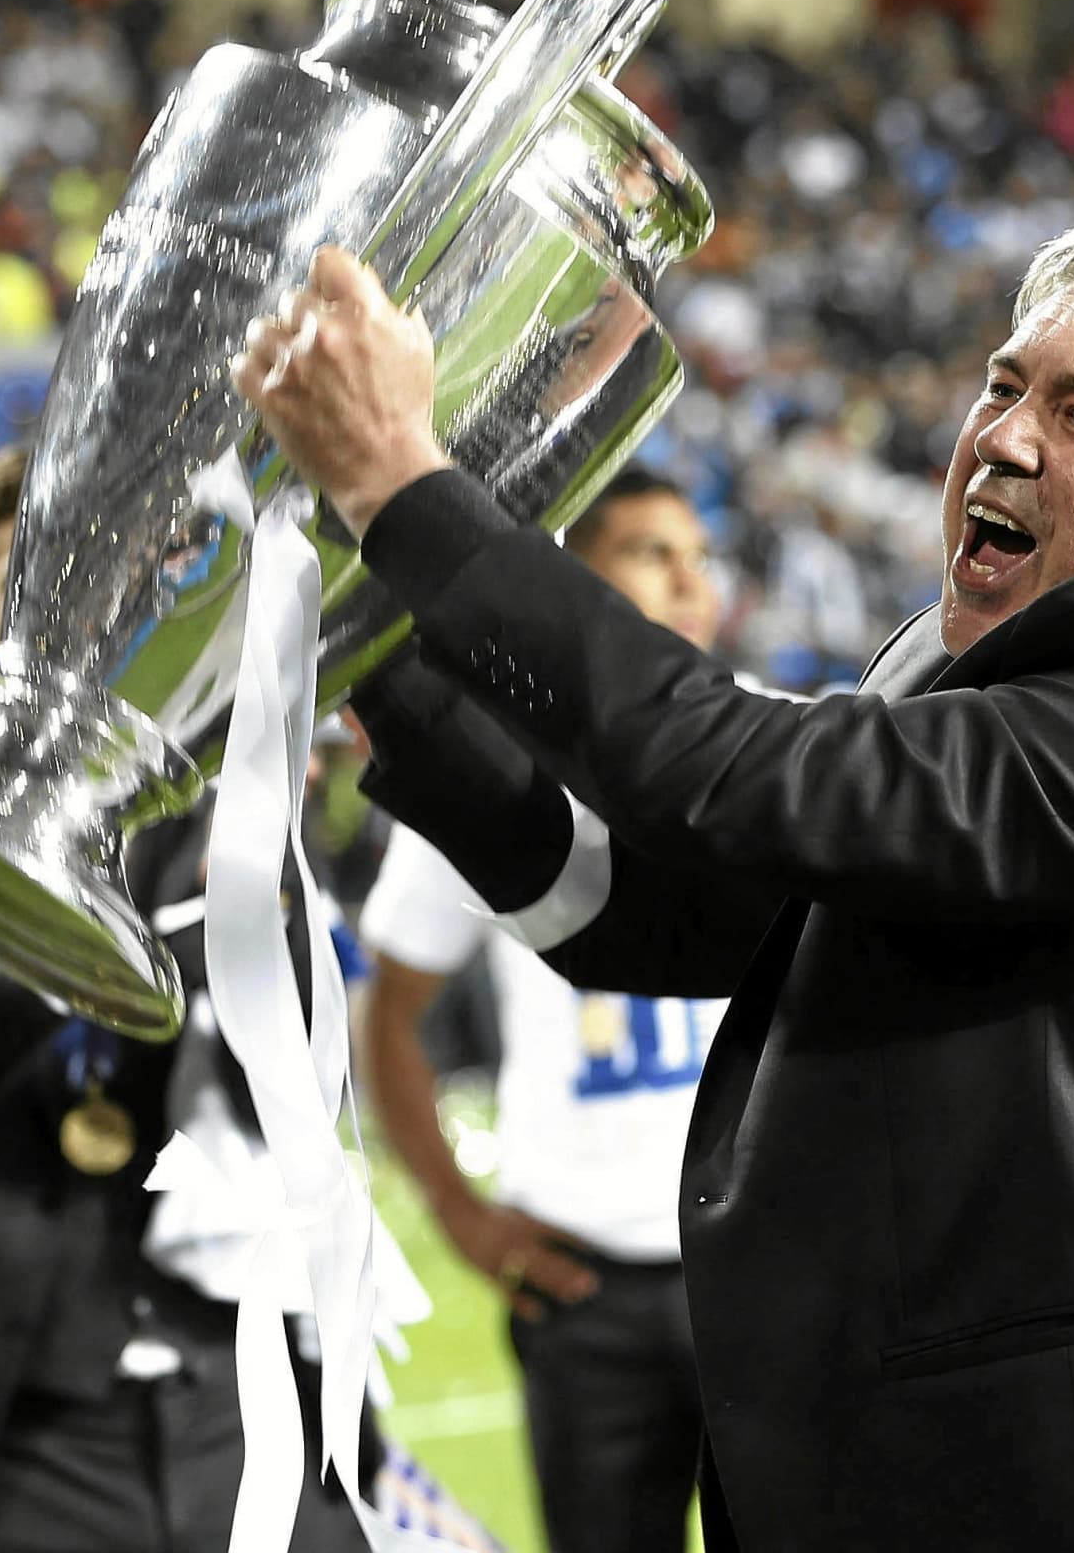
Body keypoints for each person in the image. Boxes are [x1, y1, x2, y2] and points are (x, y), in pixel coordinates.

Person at [239, 215, 1074, 1550]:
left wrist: (403, 485)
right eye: (1007, 383)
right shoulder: (967, 670)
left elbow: (723, 767)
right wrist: (385, 679)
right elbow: (653, 909)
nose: (1008, 436)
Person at [0, 444, 386, 1553]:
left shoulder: (196, 805)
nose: (67, 619)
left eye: (100, 586)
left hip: (237, 1386)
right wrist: (56, 931)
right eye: (30, 580)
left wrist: (270, 897)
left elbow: (288, 1093)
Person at [358, 466, 727, 1553]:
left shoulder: (787, 736)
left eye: (700, 558)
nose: (691, 582)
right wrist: (460, 1211)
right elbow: (390, 1012)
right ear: (577, 580)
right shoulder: (497, 779)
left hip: (752, 1262)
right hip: (583, 1276)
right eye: (653, 553)